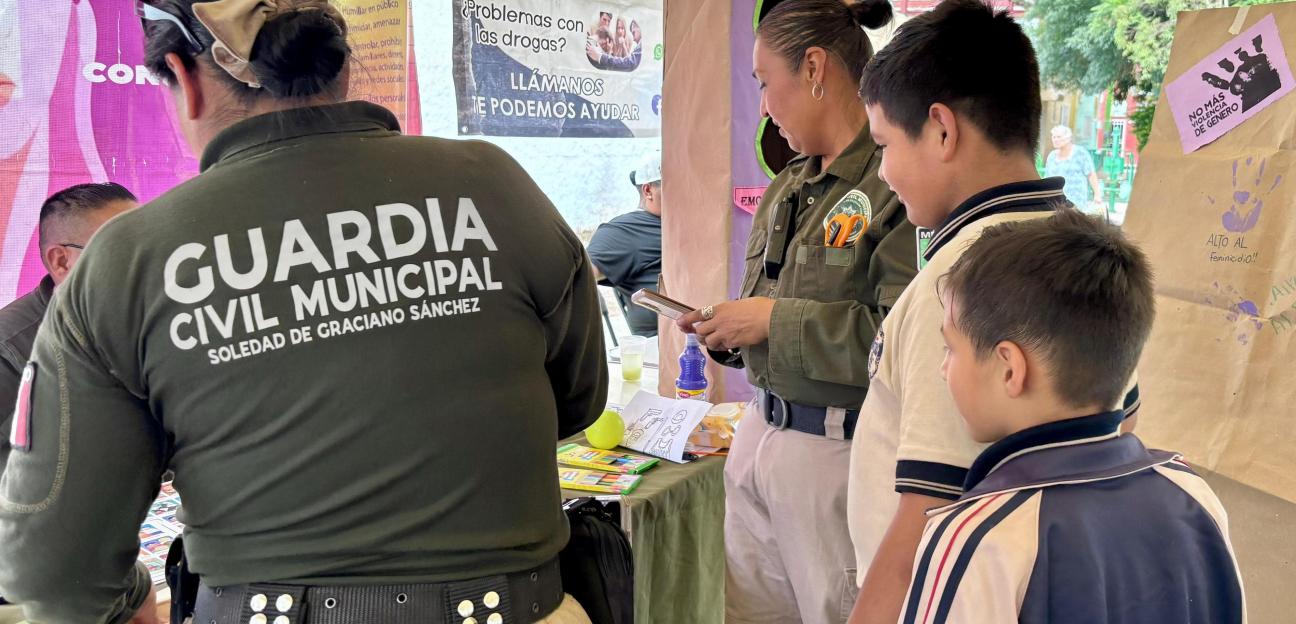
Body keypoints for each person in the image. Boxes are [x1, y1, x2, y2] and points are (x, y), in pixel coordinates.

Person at [0, 1, 606, 623]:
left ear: (182, 79)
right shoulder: (492, 183)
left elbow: (49, 569)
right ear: (338, 66)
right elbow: (577, 401)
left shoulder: (125, 259)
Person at [846, 2, 1140, 622]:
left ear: (943, 129)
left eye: (884, 145)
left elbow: (927, 515)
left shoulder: (961, 286)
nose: (883, 172)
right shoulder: (1084, 251)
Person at [675, 0, 916, 621]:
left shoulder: (896, 186)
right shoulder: (788, 186)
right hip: (760, 432)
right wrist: (728, 330)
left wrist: (771, 323)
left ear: (814, 68)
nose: (762, 105)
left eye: (764, 82)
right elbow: (767, 297)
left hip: (839, 453)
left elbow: (902, 343)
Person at [902, 209, 1245, 623]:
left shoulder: (978, 536)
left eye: (950, 349)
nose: (943, 369)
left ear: (1010, 368)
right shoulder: (1194, 495)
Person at [0, 182, 138, 620]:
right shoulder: (11, 350)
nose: (141, 264)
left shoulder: (132, 324)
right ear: (60, 260)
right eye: (121, 248)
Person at [587, 152, 663, 337]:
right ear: (648, 190)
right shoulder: (624, 232)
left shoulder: (686, 224)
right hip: (661, 343)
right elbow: (580, 274)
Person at [1044, 125, 1104, 212]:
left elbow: (1091, 174)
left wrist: (1097, 195)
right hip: (1056, 201)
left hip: (1077, 201)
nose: (1055, 139)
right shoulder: (1052, 156)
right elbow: (1047, 179)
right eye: (1054, 137)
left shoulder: (1080, 153)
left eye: (1058, 137)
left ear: (1068, 138)